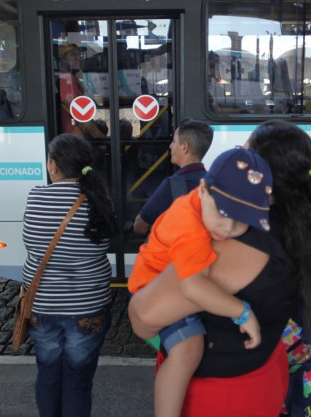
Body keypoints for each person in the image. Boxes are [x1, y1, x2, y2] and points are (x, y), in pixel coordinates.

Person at [130, 120, 311, 415]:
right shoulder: (298, 221)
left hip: (221, 398)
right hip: (264, 374)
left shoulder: (233, 240)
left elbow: (144, 317)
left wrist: (239, 311)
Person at [128, 147, 270, 417]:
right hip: (151, 286)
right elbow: (192, 286)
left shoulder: (204, 208)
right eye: (223, 213)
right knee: (188, 350)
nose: (227, 229)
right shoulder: (188, 224)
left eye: (241, 223)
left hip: (178, 278)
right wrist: (241, 312)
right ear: (203, 190)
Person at [21, 133, 119, 417]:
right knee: (78, 380)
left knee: (48, 373)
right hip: (88, 306)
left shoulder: (36, 196)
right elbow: (104, 244)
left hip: (43, 305)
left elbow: (31, 243)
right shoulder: (99, 199)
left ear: (53, 166)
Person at [133, 118, 214, 235]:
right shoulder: (215, 182)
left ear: (185, 147)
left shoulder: (172, 185)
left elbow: (139, 226)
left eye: (174, 141)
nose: (170, 146)